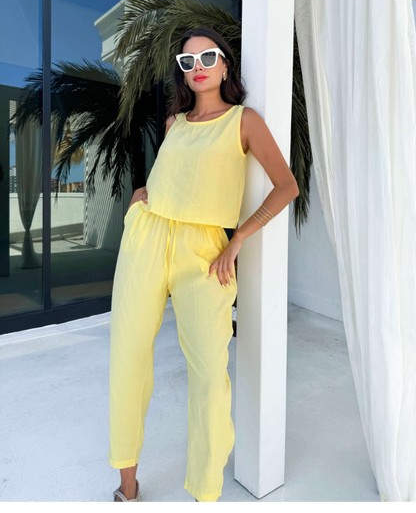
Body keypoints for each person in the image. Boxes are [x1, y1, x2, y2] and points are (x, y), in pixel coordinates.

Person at [109, 27, 299, 502]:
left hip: (205, 252)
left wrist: (238, 241)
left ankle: (204, 491)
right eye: (188, 61)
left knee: (210, 373)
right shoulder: (174, 122)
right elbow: (171, 177)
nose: (198, 68)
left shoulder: (243, 121)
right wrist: (142, 195)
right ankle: (127, 484)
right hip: (147, 239)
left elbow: (286, 186)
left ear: (225, 65)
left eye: (208, 57)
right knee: (128, 355)